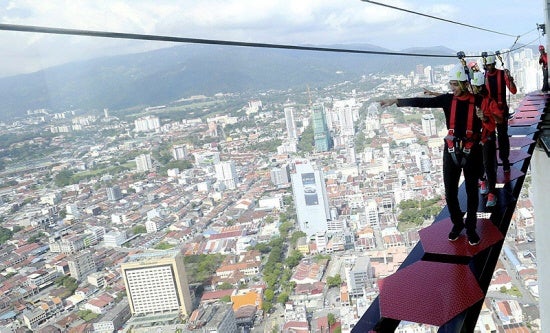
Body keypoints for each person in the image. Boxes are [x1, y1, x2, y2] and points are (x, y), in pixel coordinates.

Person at [379, 64, 490, 246]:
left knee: (471, 192)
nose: (451, 88)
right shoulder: (448, 100)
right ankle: (457, 224)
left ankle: (470, 229)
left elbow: (490, 120)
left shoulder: (478, 100)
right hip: (452, 149)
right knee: (450, 193)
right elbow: (423, 103)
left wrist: (483, 117)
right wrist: (397, 101)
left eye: (454, 84)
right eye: (450, 84)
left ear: (463, 84)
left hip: (472, 150)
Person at [472, 72, 503, 207]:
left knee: (488, 164)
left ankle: (492, 193)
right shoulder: (476, 100)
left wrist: (485, 117)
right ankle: (483, 180)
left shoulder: (490, 102)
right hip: (477, 136)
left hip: (487, 136)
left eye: (476, 87)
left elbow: (498, 120)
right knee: (479, 162)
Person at [483, 54, 517, 174]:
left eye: (490, 65)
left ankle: (505, 160)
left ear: (493, 64)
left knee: (502, 136)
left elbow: (513, 91)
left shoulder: (502, 74)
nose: (489, 67)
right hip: (490, 111)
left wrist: (510, 80)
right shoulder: (483, 77)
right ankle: (492, 164)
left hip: (501, 110)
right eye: (487, 65)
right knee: (490, 138)